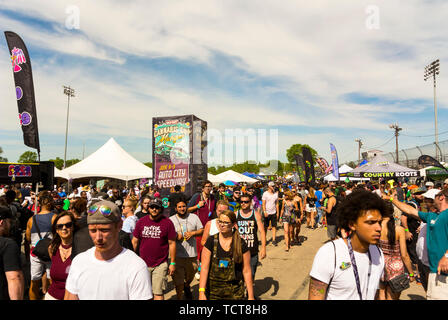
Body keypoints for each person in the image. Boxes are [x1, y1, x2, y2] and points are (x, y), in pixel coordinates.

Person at [64, 200, 152, 300]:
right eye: (93, 231)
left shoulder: (136, 267)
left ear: (119, 226)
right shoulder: (79, 262)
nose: (98, 237)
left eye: (105, 230)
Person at [309, 190, 385, 300]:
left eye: (379, 222)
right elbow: (315, 296)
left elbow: (376, 292)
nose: (378, 228)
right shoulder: (330, 253)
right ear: (352, 224)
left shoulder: (378, 253)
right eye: (371, 222)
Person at [386, 188, 448, 300]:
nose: (429, 201)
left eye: (434, 197)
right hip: (434, 270)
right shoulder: (433, 216)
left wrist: (447, 255)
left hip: (444, 272)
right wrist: (391, 199)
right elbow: (410, 211)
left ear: (442, 197)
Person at [199, 210, 254, 300]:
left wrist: (251, 296)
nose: (222, 224)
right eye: (220, 221)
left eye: (226, 222)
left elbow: (247, 270)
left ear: (233, 224)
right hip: (213, 293)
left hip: (235, 293)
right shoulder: (211, 241)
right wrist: (201, 292)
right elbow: (204, 268)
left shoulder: (241, 243)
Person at [132, 198, 176, 300]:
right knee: (146, 294)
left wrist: (173, 263)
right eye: (152, 207)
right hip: (142, 263)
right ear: (148, 208)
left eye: (157, 207)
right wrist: (131, 259)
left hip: (160, 263)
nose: (154, 209)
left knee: (158, 293)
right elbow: (135, 241)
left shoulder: (168, 223)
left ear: (161, 209)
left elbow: (172, 243)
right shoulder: (141, 222)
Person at [378, 203, 414, 300]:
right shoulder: (399, 230)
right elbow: (404, 255)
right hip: (396, 267)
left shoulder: (376, 228)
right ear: (392, 213)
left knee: (381, 294)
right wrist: (411, 273)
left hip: (380, 264)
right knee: (392, 297)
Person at [25, 191, 57, 300]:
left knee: (34, 282)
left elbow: (28, 238)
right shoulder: (54, 217)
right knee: (52, 281)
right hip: (51, 252)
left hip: (35, 253)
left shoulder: (31, 220)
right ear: (48, 202)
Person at [169, 200, 203, 300]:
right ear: (175, 208)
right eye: (179, 207)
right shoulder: (171, 220)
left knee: (190, 277)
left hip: (191, 255)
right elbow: (166, 235)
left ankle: (187, 285)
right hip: (177, 256)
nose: (182, 209)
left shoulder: (194, 217)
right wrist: (176, 236)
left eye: (184, 206)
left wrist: (193, 233)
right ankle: (179, 297)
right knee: (178, 282)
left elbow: (202, 230)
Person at [236, 194, 266, 282]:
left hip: (252, 250)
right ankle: (243, 292)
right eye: (241, 202)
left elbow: (262, 231)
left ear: (250, 202)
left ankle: (249, 293)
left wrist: (263, 248)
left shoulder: (256, 215)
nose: (243, 203)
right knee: (239, 275)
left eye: (246, 202)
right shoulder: (236, 214)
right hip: (239, 250)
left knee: (251, 274)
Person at [46, 211, 75, 300]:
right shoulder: (52, 248)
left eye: (68, 225)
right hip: (52, 296)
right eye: (60, 226)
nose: (64, 228)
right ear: (56, 230)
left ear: (73, 227)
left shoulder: (80, 249)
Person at [0, 205, 24, 300]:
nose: (10, 225)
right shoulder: (7, 244)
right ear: (2, 222)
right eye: (9, 222)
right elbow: (14, 278)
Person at [262, 181, 279, 246]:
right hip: (267, 213)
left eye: (274, 186)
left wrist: (277, 213)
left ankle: (274, 240)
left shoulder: (275, 194)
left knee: (274, 226)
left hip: (273, 212)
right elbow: (263, 204)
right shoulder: (265, 194)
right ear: (269, 186)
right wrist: (264, 211)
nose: (273, 187)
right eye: (272, 186)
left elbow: (277, 204)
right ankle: (264, 239)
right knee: (265, 227)